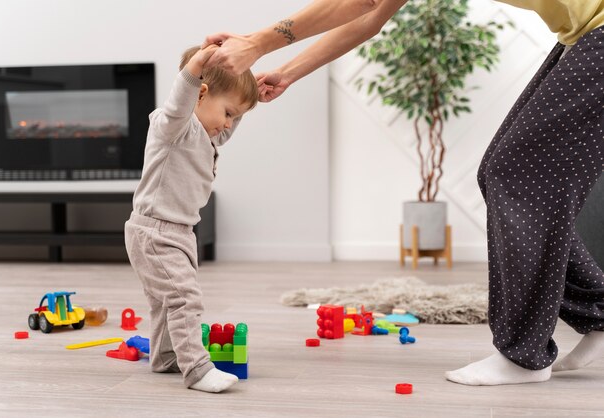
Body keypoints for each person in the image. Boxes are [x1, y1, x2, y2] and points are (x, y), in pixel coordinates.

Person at [203, 0, 604, 386]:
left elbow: (362, 2)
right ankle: (597, 313)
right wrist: (287, 71)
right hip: (583, 33)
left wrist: (255, 42)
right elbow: (372, 16)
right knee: (498, 175)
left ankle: (524, 356)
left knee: (513, 176)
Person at [124, 45, 259, 393]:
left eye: (234, 116)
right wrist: (196, 66)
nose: (228, 124)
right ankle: (197, 370)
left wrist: (251, 91)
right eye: (227, 112)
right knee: (184, 298)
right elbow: (180, 100)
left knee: (166, 301)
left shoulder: (206, 135)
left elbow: (226, 125)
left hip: (179, 231)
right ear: (199, 93)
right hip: (155, 232)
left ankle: (165, 357)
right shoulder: (172, 126)